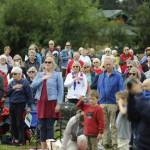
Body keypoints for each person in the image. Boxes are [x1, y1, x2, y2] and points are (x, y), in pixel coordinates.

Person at [31, 56, 64, 150]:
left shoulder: (57, 75)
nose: (47, 64)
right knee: (42, 126)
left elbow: (60, 91)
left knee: (49, 126)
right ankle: (43, 148)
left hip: (52, 103)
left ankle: (49, 148)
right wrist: (42, 78)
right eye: (46, 62)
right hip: (41, 103)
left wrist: (59, 104)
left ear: (53, 64)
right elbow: (32, 86)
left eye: (49, 62)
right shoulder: (40, 74)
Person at [97, 56, 124, 150]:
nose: (107, 66)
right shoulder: (101, 75)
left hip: (113, 103)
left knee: (113, 125)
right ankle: (106, 142)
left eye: (109, 64)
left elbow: (121, 90)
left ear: (113, 64)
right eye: (105, 64)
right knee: (104, 124)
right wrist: (99, 101)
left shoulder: (118, 76)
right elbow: (98, 89)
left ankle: (114, 143)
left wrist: (118, 102)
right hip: (102, 102)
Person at [8, 67, 32, 145]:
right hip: (12, 104)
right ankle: (15, 139)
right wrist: (13, 88)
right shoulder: (11, 82)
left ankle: (21, 140)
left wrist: (29, 106)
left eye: (15, 74)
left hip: (21, 104)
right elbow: (7, 93)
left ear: (20, 74)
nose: (13, 75)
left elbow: (29, 95)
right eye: (12, 74)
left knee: (19, 122)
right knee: (12, 122)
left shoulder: (25, 82)